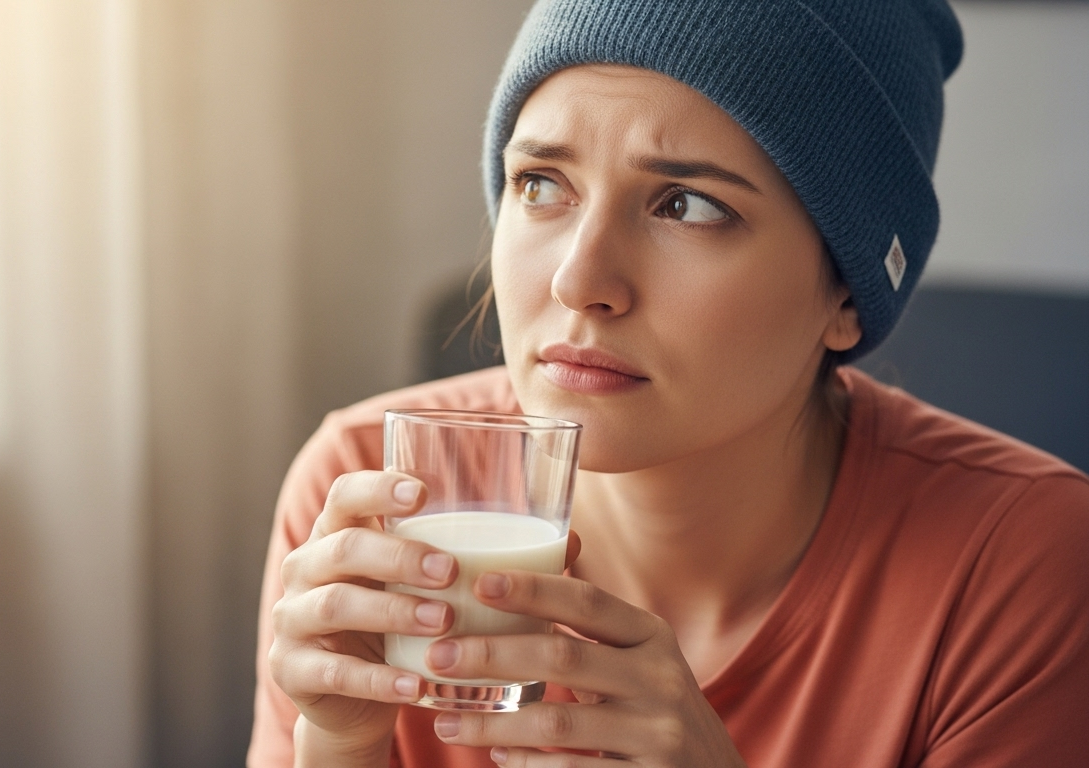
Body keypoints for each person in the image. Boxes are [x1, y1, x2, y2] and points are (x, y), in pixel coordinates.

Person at [248, 1, 1089, 766]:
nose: (581, 280)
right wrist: (340, 744)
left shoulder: (1022, 571)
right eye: (541, 185)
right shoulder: (365, 497)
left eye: (687, 205)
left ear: (846, 297)